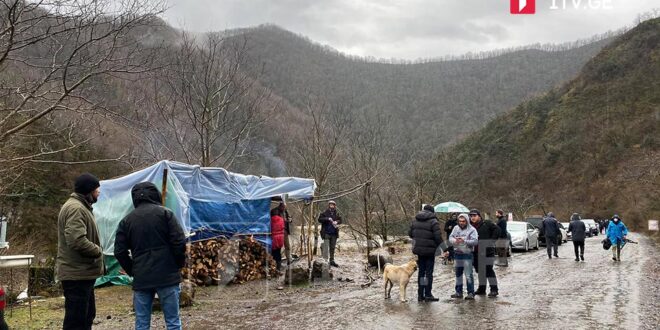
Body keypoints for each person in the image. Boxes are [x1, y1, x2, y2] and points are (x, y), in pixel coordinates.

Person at [114, 182, 186, 330]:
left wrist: (133, 270)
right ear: (155, 194)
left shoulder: (126, 221)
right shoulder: (166, 214)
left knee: (142, 323)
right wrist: (177, 264)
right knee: (173, 321)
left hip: (142, 277)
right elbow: (179, 242)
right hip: (167, 275)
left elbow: (119, 252)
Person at [56, 173, 104, 330]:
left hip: (81, 273)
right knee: (76, 321)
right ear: (88, 191)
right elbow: (77, 241)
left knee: (86, 316)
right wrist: (98, 251)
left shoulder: (81, 207)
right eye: (97, 190)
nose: (99, 193)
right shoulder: (76, 209)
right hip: (76, 274)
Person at [409, 204, 445, 302]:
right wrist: (445, 249)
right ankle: (428, 294)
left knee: (421, 273)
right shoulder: (434, 221)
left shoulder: (415, 220)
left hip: (419, 251)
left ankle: (420, 295)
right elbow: (438, 237)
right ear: (432, 212)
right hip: (429, 251)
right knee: (428, 273)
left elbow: (410, 234)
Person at [469, 209, 500, 297]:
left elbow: (498, 230)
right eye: (471, 216)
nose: (473, 218)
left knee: (489, 270)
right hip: (476, 252)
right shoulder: (470, 226)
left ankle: (494, 289)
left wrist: (492, 241)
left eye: (474, 216)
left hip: (487, 251)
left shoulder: (487, 223)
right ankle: (482, 289)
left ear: (479, 216)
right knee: (480, 271)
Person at [449, 213, 478, 300]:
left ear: (467, 221)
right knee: (458, 274)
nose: (461, 223)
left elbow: (475, 241)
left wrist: (464, 240)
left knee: (468, 274)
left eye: (463, 221)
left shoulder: (472, 229)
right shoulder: (455, 228)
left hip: (467, 254)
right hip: (457, 253)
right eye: (460, 221)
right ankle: (458, 292)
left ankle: (470, 293)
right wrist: (455, 241)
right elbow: (450, 237)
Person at [318, 200, 342, 267]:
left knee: (332, 247)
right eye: (330, 205)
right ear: (328, 205)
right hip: (326, 233)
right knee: (325, 247)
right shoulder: (324, 212)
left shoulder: (337, 213)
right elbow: (319, 219)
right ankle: (325, 261)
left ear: (334, 206)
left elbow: (341, 220)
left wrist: (337, 222)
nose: (331, 206)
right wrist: (327, 218)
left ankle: (332, 260)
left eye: (333, 205)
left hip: (334, 233)